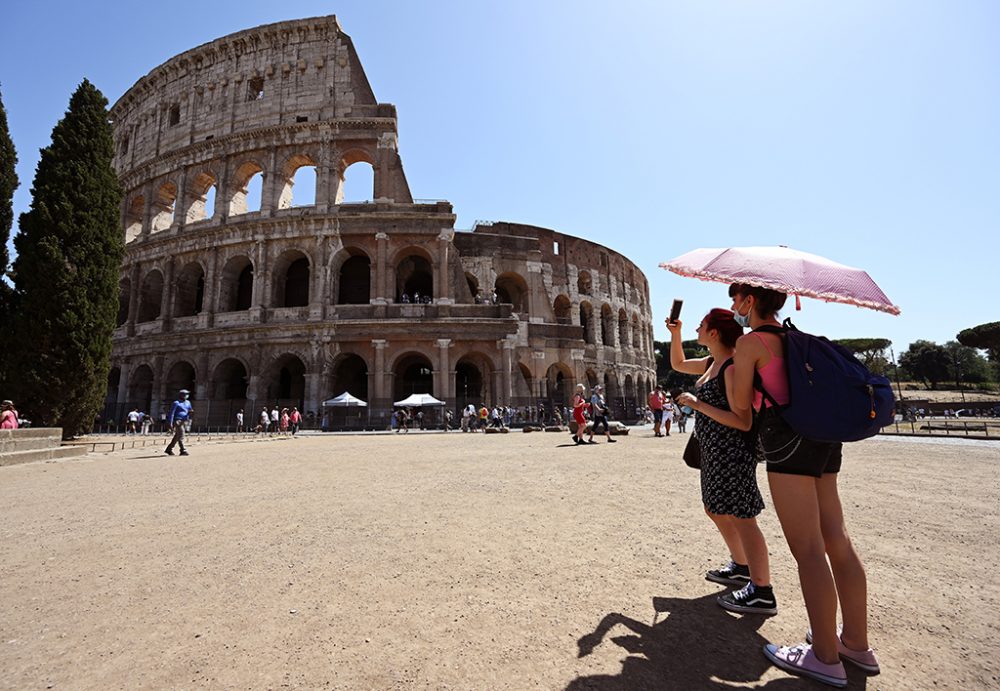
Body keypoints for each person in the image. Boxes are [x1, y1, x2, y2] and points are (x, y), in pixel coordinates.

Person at [723, 283, 878, 686]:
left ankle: (824, 657)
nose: (733, 306)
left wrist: (740, 375)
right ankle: (855, 644)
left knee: (807, 548)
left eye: (735, 299)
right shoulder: (798, 338)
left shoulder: (751, 342)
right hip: (825, 438)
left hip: (788, 439)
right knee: (836, 538)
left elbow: (741, 406)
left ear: (749, 301)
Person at [671, 309, 775, 618]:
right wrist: (675, 334)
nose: (697, 329)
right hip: (714, 452)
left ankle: (762, 591)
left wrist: (696, 404)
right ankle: (741, 566)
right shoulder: (710, 363)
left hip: (732, 452)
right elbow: (677, 363)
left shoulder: (731, 368)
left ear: (714, 333)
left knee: (743, 517)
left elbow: (742, 421)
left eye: (701, 325)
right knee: (714, 508)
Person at [164, 389, 193, 456]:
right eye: (185, 394)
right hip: (177, 421)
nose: (187, 396)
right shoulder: (176, 403)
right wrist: (170, 423)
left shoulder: (188, 402)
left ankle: (169, 449)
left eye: (187, 394)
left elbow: (190, 409)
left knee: (177, 436)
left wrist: (191, 412)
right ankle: (183, 450)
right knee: (181, 434)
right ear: (181, 395)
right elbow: (172, 413)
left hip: (184, 420)